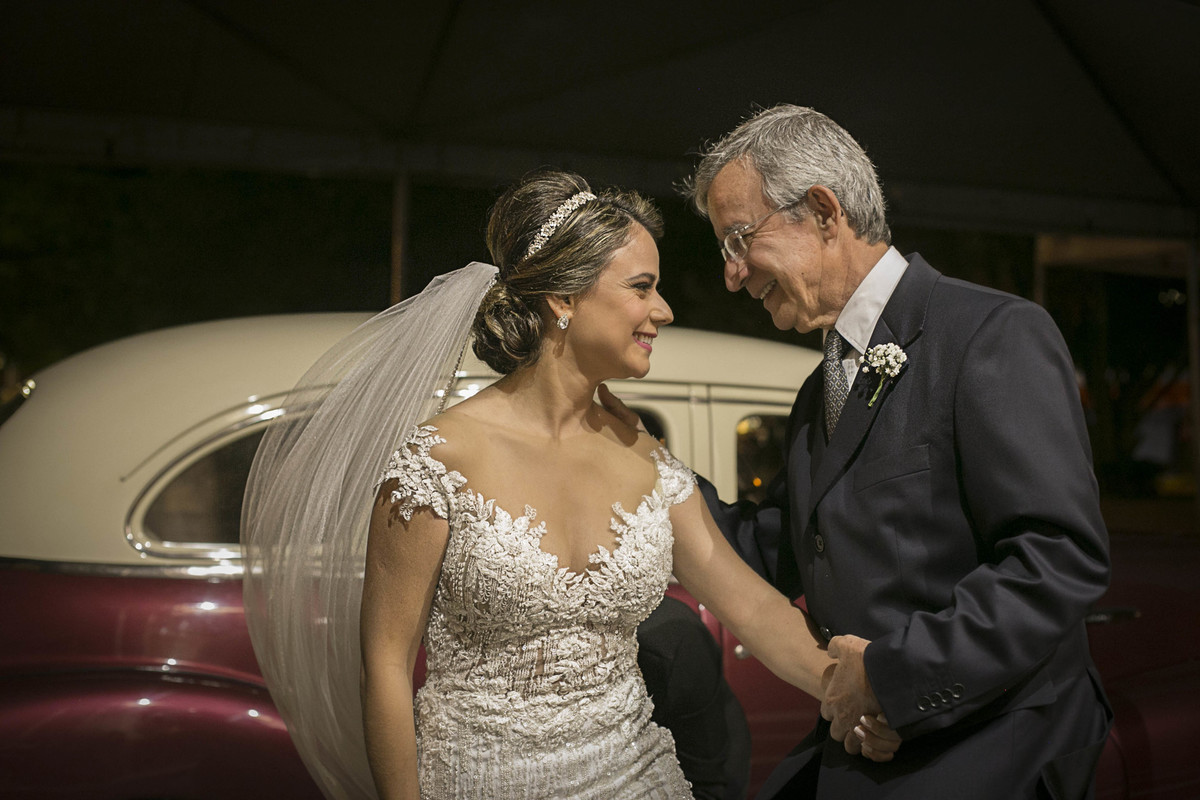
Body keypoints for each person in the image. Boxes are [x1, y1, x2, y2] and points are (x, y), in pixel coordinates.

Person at [242, 170, 899, 800]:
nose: (663, 311)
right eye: (641, 288)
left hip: (637, 781)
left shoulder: (647, 460)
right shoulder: (439, 461)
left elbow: (753, 610)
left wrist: (856, 690)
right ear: (563, 298)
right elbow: (385, 667)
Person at [653, 104, 1113, 799]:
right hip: (864, 755)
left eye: (740, 240)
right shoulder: (821, 390)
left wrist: (893, 678)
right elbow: (765, 545)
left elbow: (1056, 559)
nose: (733, 274)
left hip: (990, 751)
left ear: (822, 210)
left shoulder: (990, 335)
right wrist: (631, 457)